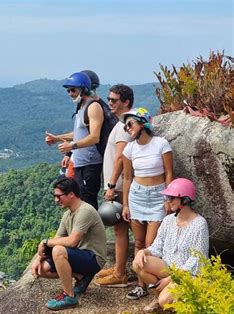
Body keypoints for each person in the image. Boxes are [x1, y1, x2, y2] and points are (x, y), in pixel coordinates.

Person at [132, 178, 209, 312]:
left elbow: (197, 261)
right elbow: (157, 247)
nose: (167, 201)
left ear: (185, 200)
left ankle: (174, 304)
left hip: (188, 275)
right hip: (169, 268)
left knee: (165, 301)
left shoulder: (200, 224)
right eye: (168, 197)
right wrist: (143, 252)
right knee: (137, 263)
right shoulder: (168, 220)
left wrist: (171, 279)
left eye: (172, 197)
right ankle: (159, 297)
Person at [121, 107, 174, 300]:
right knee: (139, 242)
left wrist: (169, 197)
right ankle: (140, 286)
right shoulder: (129, 149)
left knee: (150, 244)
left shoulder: (161, 144)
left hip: (158, 195)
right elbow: (127, 178)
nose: (127, 128)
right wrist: (125, 204)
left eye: (130, 123)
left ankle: (157, 285)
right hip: (137, 195)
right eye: (125, 125)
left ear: (142, 122)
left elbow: (169, 172)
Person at [31, 177, 107, 310]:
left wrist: (45, 242)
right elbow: (57, 238)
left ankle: (69, 296)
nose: (56, 200)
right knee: (41, 270)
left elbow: (72, 241)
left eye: (59, 196)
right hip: (80, 256)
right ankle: (81, 276)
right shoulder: (67, 214)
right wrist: (39, 258)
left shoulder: (85, 211)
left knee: (58, 250)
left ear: (71, 194)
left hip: (94, 258)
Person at [45, 71, 104, 209]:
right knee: (78, 203)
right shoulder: (81, 107)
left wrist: (72, 147)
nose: (70, 93)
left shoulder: (93, 107)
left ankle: (89, 230)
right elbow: (79, 133)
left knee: (87, 203)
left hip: (90, 164)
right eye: (68, 91)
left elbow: (95, 136)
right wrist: (57, 138)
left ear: (84, 89)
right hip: (79, 164)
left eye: (73, 90)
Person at [94, 84, 134, 287]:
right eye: (109, 99)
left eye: (114, 100)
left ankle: (120, 273)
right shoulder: (121, 124)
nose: (109, 103)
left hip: (119, 186)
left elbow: (120, 157)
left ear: (126, 102)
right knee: (120, 230)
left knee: (120, 229)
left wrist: (110, 185)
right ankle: (120, 268)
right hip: (117, 185)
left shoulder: (125, 127)